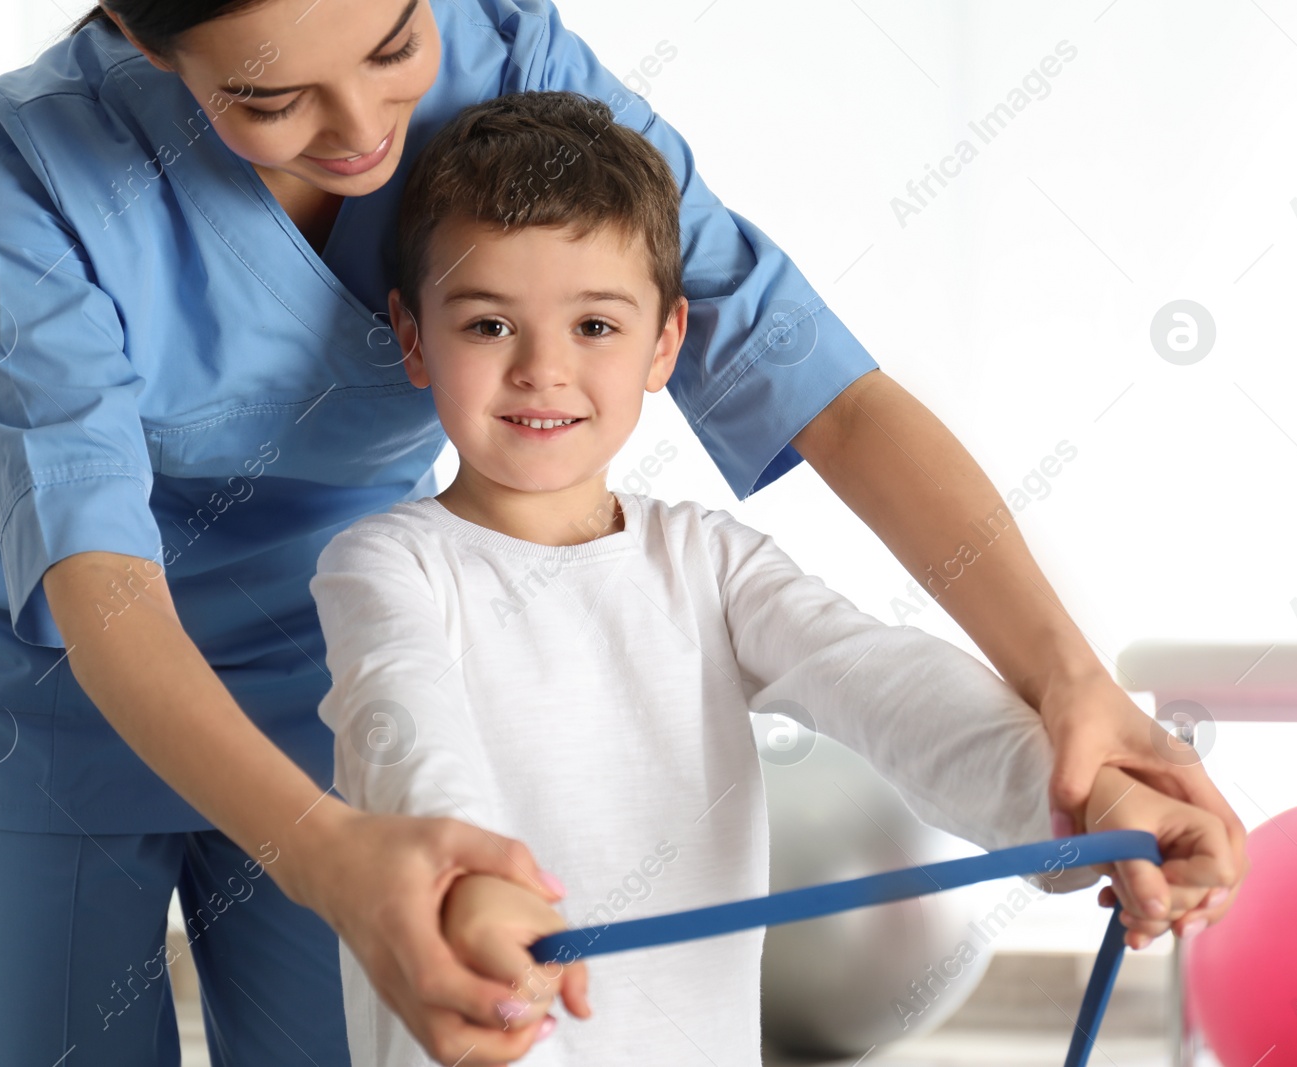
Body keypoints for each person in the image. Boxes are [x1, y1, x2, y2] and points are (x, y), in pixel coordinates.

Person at [0, 1, 1243, 1064]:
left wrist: (1070, 702)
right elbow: (105, 584)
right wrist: (332, 851)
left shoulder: (508, 61)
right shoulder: (37, 162)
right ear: (150, 43)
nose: (368, 125)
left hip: (323, 673)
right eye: (270, 99)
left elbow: (820, 395)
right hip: (62, 680)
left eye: (393, 47)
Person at [309, 89, 1240, 1066]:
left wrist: (1092, 803)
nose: (544, 368)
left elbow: (888, 685)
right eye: (490, 325)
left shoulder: (709, 560)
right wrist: (466, 879)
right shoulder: (385, 565)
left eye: (593, 325)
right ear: (414, 336)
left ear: (664, 342)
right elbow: (407, 735)